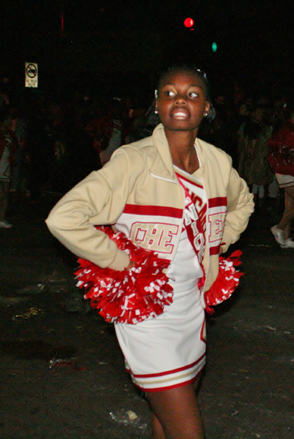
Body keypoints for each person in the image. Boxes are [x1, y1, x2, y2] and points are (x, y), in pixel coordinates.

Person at [46, 67, 254, 439]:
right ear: (156, 104)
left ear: (206, 107)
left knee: (165, 419)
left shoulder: (218, 162)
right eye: (169, 92)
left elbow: (244, 203)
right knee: (188, 430)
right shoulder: (133, 160)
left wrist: (217, 242)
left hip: (191, 306)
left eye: (192, 94)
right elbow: (64, 217)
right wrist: (121, 262)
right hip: (146, 313)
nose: (180, 100)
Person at [267, 100, 294, 248]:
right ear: (293, 111)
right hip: (286, 171)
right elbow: (274, 148)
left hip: (293, 170)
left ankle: (285, 237)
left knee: (290, 205)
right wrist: (281, 163)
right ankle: (278, 228)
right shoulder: (287, 129)